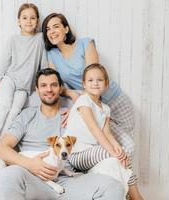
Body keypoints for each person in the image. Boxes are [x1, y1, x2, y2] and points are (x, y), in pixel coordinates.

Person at [42, 13, 143, 199]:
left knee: (125, 148)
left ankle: (124, 192)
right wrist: (74, 96)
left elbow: (94, 74)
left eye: (56, 26)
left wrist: (84, 101)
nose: (52, 31)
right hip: (90, 104)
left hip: (113, 101)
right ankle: (127, 194)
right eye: (48, 28)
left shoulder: (85, 44)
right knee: (120, 149)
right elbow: (58, 84)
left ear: (66, 29)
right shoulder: (52, 55)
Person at [0, 68, 125, 200]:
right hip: (33, 178)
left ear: (60, 88)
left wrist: (74, 108)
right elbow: (1, 149)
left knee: (113, 187)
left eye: (54, 85)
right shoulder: (26, 115)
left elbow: (97, 124)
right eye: (43, 85)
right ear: (37, 89)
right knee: (9, 174)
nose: (49, 89)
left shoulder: (75, 114)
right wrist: (31, 164)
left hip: (68, 179)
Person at [65, 63, 141, 198]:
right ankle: (137, 197)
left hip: (92, 152)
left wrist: (118, 148)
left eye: (100, 80)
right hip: (77, 154)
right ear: (84, 84)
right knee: (119, 157)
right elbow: (95, 130)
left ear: (106, 84)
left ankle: (128, 196)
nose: (95, 83)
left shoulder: (105, 108)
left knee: (122, 155)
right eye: (90, 80)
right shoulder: (84, 100)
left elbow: (107, 132)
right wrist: (113, 152)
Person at [0, 3, 47, 156]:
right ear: (19, 21)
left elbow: (44, 64)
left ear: (38, 21)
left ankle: (1, 142)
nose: (29, 21)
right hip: (10, 79)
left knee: (14, 113)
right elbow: (5, 61)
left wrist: (43, 84)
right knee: (4, 107)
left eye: (33, 18)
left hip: (24, 87)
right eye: (25, 18)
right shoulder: (13, 39)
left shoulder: (40, 40)